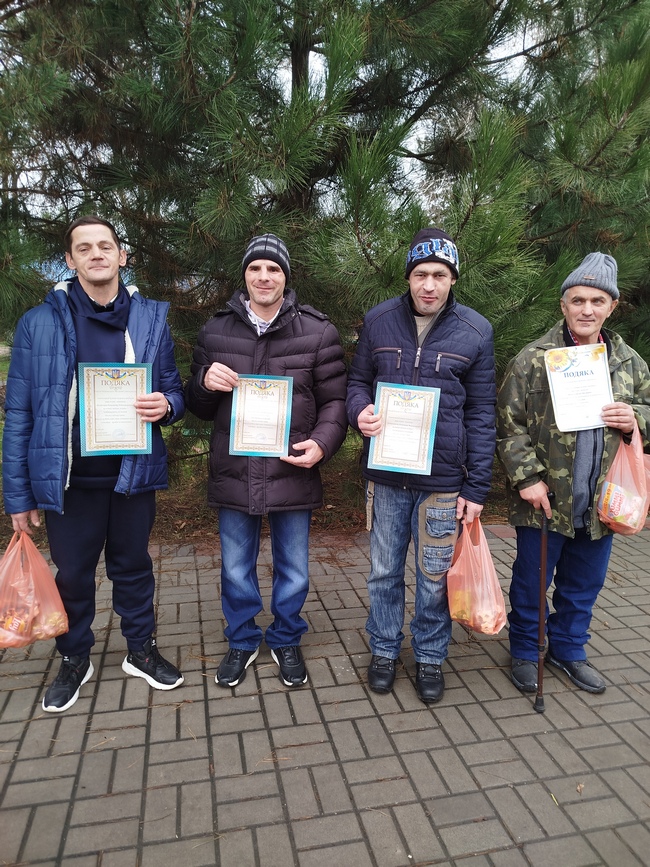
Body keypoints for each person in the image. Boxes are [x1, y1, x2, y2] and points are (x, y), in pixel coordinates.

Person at [3, 215, 185, 712]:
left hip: (131, 473)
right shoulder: (38, 323)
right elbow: (19, 413)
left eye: (105, 245)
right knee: (73, 575)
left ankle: (140, 651)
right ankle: (74, 657)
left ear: (122, 255)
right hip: (70, 480)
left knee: (134, 567)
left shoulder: (150, 318)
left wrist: (167, 405)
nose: (96, 254)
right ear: (70, 260)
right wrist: (17, 496)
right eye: (84, 248)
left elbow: (173, 390)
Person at [185, 233, 347, 689]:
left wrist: (322, 444)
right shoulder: (215, 331)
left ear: (285, 277)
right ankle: (241, 639)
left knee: (293, 567)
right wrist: (204, 381)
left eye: (273, 268)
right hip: (235, 471)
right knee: (235, 567)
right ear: (244, 275)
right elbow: (197, 405)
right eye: (255, 267)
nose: (263, 276)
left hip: (291, 468)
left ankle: (286, 637)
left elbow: (336, 401)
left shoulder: (318, 332)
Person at [346, 228, 496, 704]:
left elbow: (481, 412)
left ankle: (430, 655)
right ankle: (385, 649)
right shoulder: (378, 321)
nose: (429, 285)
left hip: (442, 481)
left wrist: (476, 488)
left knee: (434, 578)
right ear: (408, 276)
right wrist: (359, 412)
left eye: (440, 275)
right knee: (383, 572)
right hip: (387, 476)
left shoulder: (475, 330)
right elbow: (357, 382)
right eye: (420, 274)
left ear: (453, 279)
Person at [497, 252, 650, 694]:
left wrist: (635, 419)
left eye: (597, 301)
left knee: (583, 584)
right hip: (546, 499)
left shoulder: (629, 363)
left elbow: (649, 411)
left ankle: (567, 649)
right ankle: (526, 651)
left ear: (612, 307)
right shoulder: (533, 359)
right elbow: (508, 424)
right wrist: (527, 479)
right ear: (563, 304)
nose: (587, 310)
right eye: (578, 300)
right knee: (531, 582)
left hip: (603, 500)